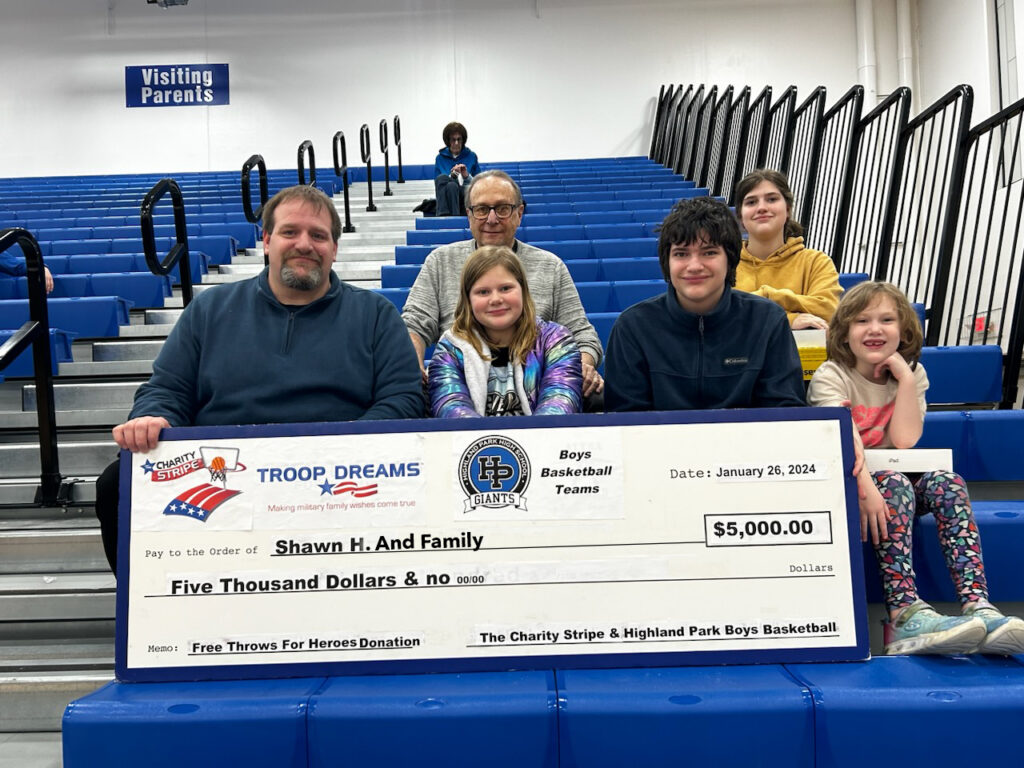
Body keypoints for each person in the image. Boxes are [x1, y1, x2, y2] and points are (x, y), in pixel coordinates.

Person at [95, 185, 424, 574]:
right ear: (267, 241)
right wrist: (153, 417)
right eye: (290, 232)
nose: (304, 244)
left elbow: (403, 398)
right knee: (118, 482)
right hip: (224, 467)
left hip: (340, 471)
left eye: (318, 235)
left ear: (334, 248)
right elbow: (167, 389)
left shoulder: (376, 314)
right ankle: (148, 620)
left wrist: (343, 449)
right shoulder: (210, 308)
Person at [808, 281, 1024, 655]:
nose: (875, 329)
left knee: (948, 482)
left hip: (897, 486)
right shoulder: (832, 375)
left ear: (904, 331)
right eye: (862, 320)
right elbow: (842, 440)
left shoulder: (913, 374)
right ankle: (904, 613)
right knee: (892, 483)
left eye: (887, 319)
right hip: (854, 485)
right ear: (843, 334)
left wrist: (905, 379)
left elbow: (905, 440)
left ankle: (978, 605)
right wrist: (866, 486)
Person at [403, 169, 604, 399]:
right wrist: (413, 365)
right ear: (469, 215)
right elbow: (414, 324)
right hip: (459, 384)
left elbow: (582, 335)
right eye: (481, 209)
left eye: (502, 209)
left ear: (519, 213)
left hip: (538, 388)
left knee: (595, 394)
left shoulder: (551, 266)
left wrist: (581, 367)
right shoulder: (440, 261)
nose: (491, 219)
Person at [604, 196, 805, 411]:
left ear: (730, 260)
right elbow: (625, 423)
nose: (694, 266)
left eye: (709, 252)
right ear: (667, 263)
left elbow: (785, 414)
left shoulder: (768, 320)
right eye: (681, 254)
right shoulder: (632, 327)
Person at [428, 245, 582, 417]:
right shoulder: (450, 349)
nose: (496, 299)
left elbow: (561, 399)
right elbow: (449, 405)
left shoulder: (556, 341)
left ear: (523, 290)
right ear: (468, 300)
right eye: (483, 292)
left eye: (505, 288)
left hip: (541, 441)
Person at [734, 169, 841, 331]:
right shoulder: (725, 262)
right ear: (741, 217)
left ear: (788, 210)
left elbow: (828, 311)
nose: (762, 208)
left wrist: (765, 296)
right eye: (751, 202)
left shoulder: (816, 262)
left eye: (771, 199)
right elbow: (721, 317)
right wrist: (789, 319)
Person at [433, 121, 480, 217]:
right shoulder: (440, 158)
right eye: (453, 140)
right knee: (447, 182)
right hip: (448, 197)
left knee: (447, 182)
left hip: (466, 195)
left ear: (463, 141)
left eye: (459, 139)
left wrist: (466, 176)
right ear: (448, 141)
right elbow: (438, 184)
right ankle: (447, 214)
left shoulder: (471, 156)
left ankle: (442, 216)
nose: (456, 143)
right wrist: (453, 176)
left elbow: (479, 183)